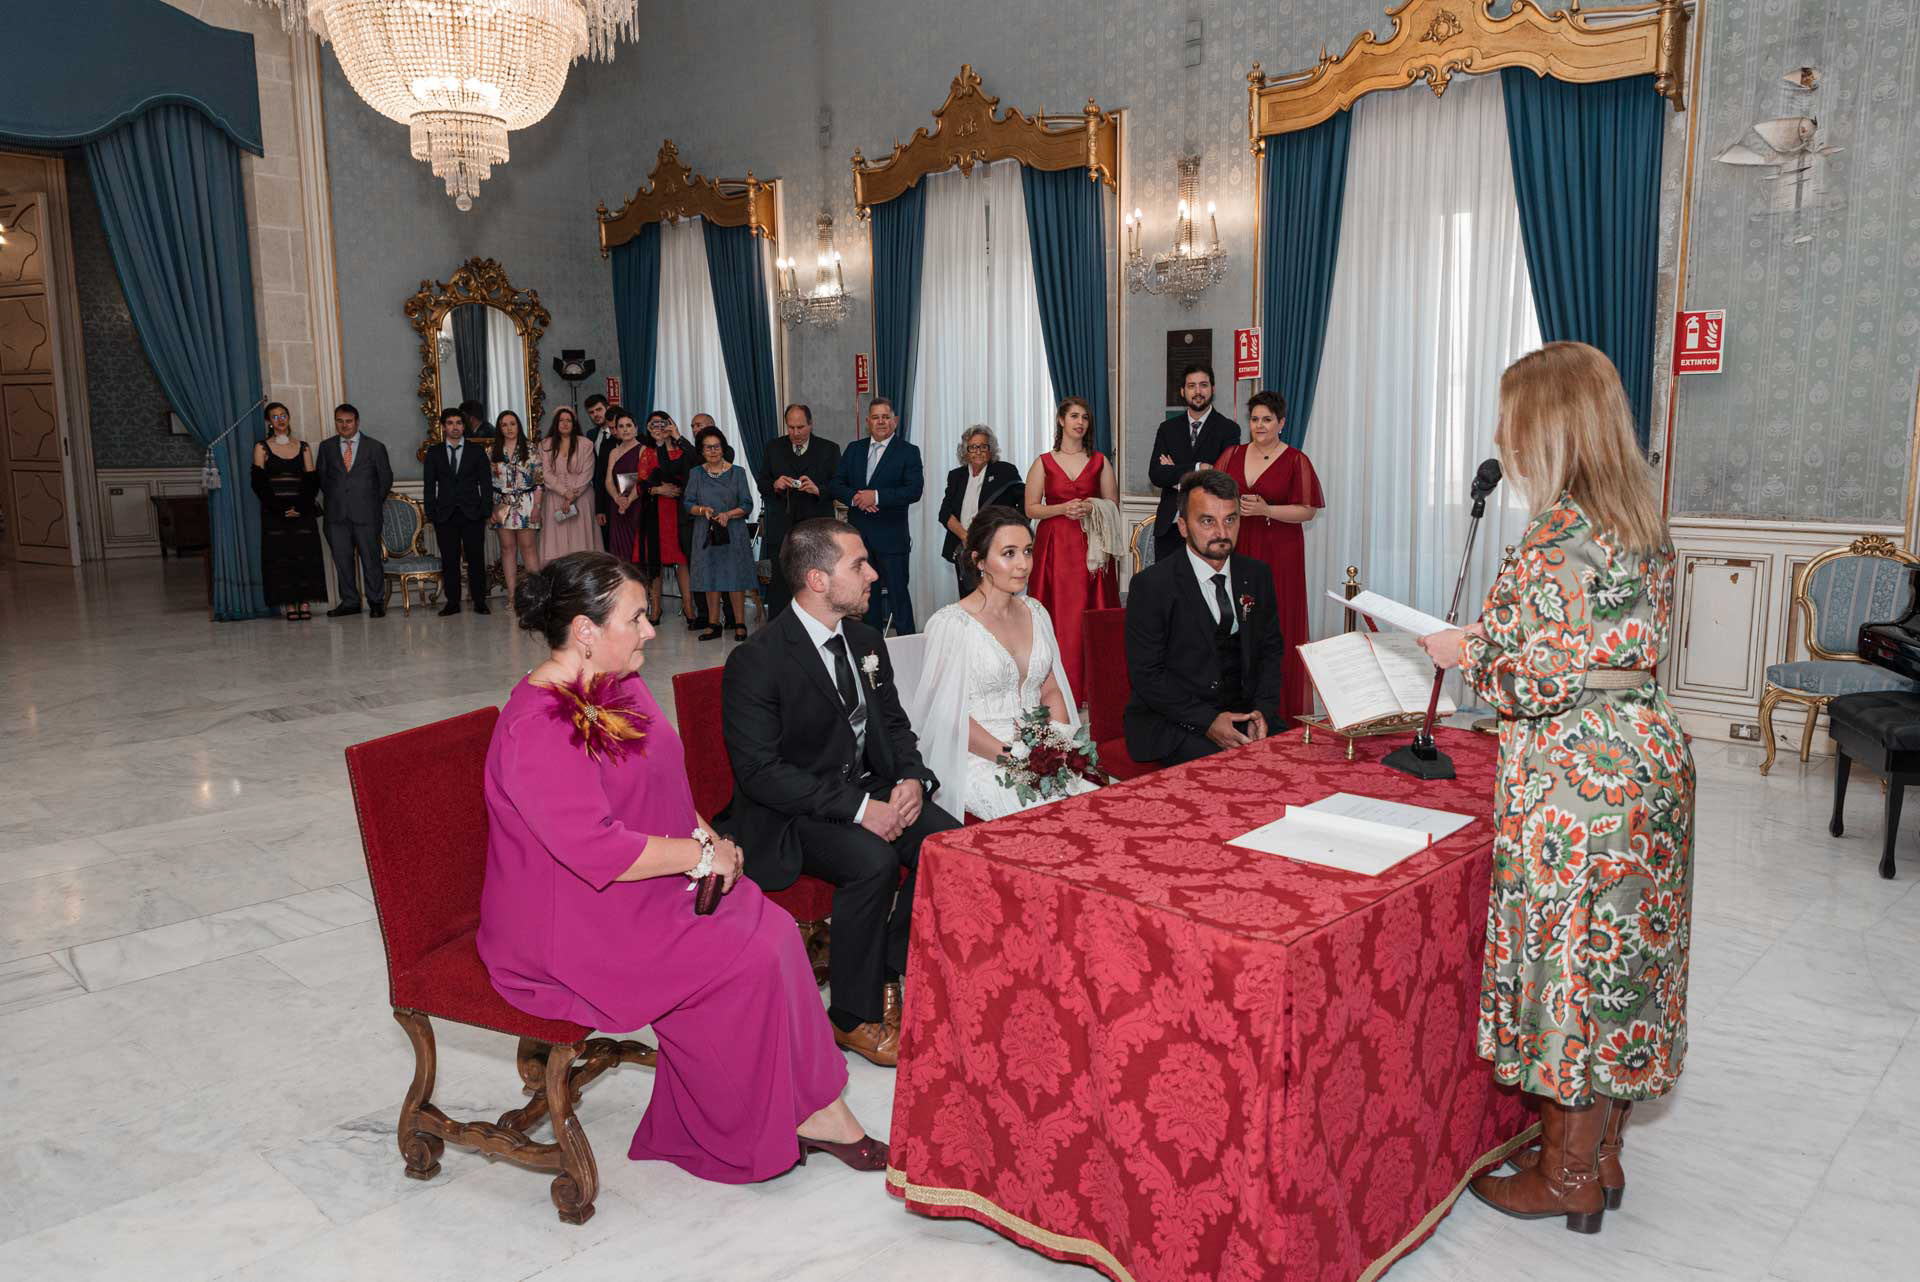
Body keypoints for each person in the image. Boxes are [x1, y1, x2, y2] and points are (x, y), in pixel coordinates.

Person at [479, 551, 887, 1182]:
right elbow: (597, 849)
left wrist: (709, 840)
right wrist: (702, 856)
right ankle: (740, 1127)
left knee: (775, 932)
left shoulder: (618, 683)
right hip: (572, 921)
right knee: (743, 958)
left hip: (647, 880)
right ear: (585, 631)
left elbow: (665, 787)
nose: (650, 630)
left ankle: (815, 1107)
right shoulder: (534, 729)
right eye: (637, 617)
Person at [1416, 341, 1694, 1234]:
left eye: (1512, 417)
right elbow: (1588, 649)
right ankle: (1598, 1156)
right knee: (1620, 961)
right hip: (1647, 758)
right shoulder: (1636, 520)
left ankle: (1568, 1176)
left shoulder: (1555, 535)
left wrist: (1466, 652)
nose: (1502, 432)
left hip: (1577, 778)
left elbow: (1524, 679)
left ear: (1549, 424)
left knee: (1568, 967)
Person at [716, 518, 959, 1068]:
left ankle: (891, 967)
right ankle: (852, 1016)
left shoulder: (866, 641)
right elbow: (760, 772)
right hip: (789, 811)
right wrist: (859, 810)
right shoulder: (758, 660)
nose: (873, 573)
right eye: (859, 565)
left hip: (865, 786)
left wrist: (912, 781)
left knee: (948, 843)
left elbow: (894, 727)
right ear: (817, 580)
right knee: (870, 859)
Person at [909, 508, 1097, 822]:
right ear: (979, 561)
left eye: (1027, 551)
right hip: (977, 754)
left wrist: (1056, 745)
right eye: (1008, 554)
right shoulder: (952, 624)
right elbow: (947, 717)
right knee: (1047, 815)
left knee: (1094, 805)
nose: (1023, 564)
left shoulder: (1035, 611)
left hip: (1035, 748)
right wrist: (1014, 757)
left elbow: (1050, 689)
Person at [1123, 470, 1284, 768]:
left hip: (1245, 715)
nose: (1221, 532)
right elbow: (1147, 675)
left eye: (1230, 520)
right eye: (1207, 521)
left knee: (1295, 764)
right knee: (1234, 774)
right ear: (1183, 526)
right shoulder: (1152, 586)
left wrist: (1262, 711)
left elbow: (1270, 651)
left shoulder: (1257, 575)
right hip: (1176, 722)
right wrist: (1208, 721)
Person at [1215, 390, 1323, 726]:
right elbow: (1210, 491)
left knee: (1276, 623)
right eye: (1254, 419)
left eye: (1267, 419)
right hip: (1239, 546)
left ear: (1281, 423)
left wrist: (1267, 510)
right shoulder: (1232, 453)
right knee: (1236, 620)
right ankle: (1237, 702)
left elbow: (1308, 511)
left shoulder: (1295, 460)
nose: (1259, 425)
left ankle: (1278, 707)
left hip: (1281, 550)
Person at [1025, 397, 1120, 698]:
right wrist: (1061, 509)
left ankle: (1094, 690)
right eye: (1074, 416)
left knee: (1089, 614)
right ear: (1061, 421)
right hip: (1054, 547)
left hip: (1091, 545)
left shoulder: (1100, 461)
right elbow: (1030, 508)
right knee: (1058, 615)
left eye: (1085, 418)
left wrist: (1092, 507)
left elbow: (1113, 504)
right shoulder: (1043, 462)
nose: (1080, 422)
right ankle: (1056, 690)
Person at [832, 397, 923, 635]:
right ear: (867, 421)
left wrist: (878, 496)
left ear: (894, 421)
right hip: (859, 540)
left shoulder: (908, 452)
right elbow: (836, 484)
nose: (881, 421)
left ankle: (909, 648)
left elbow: (914, 491)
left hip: (892, 540)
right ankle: (871, 650)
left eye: (885, 416)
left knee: (899, 599)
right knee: (866, 599)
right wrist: (857, 498)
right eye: (875, 417)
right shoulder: (854, 449)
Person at [1147, 363, 1240, 563]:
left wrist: (1175, 475)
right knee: (1168, 592)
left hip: (1210, 528)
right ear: (1183, 391)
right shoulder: (1167, 429)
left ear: (1213, 389)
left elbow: (1221, 479)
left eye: (1203, 385)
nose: (1198, 391)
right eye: (1191, 386)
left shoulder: (1229, 429)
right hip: (1170, 528)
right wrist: (1199, 468)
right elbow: (1156, 474)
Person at [760, 403, 841, 619]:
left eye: (800, 427)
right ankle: (778, 628)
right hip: (782, 526)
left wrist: (818, 489)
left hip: (816, 526)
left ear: (811, 425)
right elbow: (762, 482)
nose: (795, 433)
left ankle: (820, 623)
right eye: (791, 427)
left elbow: (840, 486)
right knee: (781, 581)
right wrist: (775, 484)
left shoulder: (829, 449)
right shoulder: (773, 448)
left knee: (817, 578)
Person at [250, 401, 327, 622]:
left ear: (289, 418)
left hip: (302, 513)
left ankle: (304, 602)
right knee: (281, 558)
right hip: (275, 514)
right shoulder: (261, 447)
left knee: (304, 557)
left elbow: (311, 481)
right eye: (275, 417)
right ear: (269, 422)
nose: (280, 420)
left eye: (283, 415)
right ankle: (289, 604)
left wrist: (299, 508)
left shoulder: (303, 447)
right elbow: (259, 484)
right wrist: (282, 510)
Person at [313, 402, 391, 618]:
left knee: (371, 559)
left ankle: (376, 602)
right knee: (342, 560)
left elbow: (385, 480)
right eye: (340, 421)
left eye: (348, 421)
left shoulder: (375, 447)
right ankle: (350, 602)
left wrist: (370, 503)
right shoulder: (327, 447)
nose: (344, 425)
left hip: (367, 514)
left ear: (357, 422)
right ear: (336, 422)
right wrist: (339, 497)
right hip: (336, 515)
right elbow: (321, 477)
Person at [683, 424, 756, 642]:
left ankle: (740, 623)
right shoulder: (695, 474)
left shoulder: (738, 472)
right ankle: (713, 623)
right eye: (708, 448)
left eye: (716, 447)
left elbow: (747, 504)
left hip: (733, 530)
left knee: (734, 576)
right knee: (709, 576)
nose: (713, 451)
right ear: (701, 451)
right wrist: (702, 510)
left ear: (723, 448)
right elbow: (687, 503)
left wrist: (729, 514)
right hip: (705, 531)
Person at [423, 405, 494, 616]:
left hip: (472, 513)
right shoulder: (434, 452)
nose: (455, 427)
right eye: (451, 423)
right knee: (449, 560)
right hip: (445, 515)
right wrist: (432, 512)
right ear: (444, 427)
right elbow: (429, 486)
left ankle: (480, 600)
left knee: (476, 558)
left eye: (459, 423)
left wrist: (485, 510)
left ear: (464, 426)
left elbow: (486, 483)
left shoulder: (476, 451)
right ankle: (452, 602)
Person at [936, 425, 1023, 597]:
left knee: (999, 597)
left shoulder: (1005, 471)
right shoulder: (956, 476)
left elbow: (1023, 506)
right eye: (973, 447)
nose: (978, 451)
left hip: (997, 547)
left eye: (983, 446)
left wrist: (1012, 534)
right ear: (965, 452)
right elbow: (944, 513)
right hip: (965, 550)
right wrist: (965, 536)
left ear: (991, 450)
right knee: (970, 599)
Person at [682, 413, 739, 632]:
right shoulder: (691, 455)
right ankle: (706, 617)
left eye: (700, 425)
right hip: (695, 520)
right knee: (700, 570)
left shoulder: (726, 452)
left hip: (723, 521)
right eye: (693, 426)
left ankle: (732, 617)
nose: (695, 429)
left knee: (724, 569)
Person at [639, 412, 694, 627]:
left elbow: (693, 470)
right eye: (653, 424)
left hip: (680, 510)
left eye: (663, 423)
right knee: (656, 560)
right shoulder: (648, 452)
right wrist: (658, 489)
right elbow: (641, 485)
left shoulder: (683, 449)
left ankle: (689, 608)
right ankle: (656, 609)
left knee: (682, 559)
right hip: (657, 510)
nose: (658, 427)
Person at [488, 410, 542, 608]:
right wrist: (492, 509)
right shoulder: (492, 451)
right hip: (501, 504)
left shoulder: (530, 449)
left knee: (528, 549)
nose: (509, 428)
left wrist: (537, 506)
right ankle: (512, 595)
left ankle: (535, 597)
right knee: (507, 549)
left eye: (512, 423)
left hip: (527, 503)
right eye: (504, 424)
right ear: (499, 428)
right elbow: (488, 483)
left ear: (518, 425)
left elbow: (538, 482)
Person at [538, 407, 598, 562]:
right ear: (555, 423)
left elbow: (587, 473)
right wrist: (565, 492)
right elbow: (546, 473)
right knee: (556, 542)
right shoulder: (545, 444)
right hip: (554, 497)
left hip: (581, 497)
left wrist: (572, 496)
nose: (565, 423)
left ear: (574, 423)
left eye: (569, 420)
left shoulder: (586, 444)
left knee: (581, 542)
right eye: (561, 420)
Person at [583, 393, 615, 551]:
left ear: (607, 408)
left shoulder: (621, 431)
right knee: (604, 540)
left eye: (599, 410)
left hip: (621, 493)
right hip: (600, 494)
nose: (596, 414)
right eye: (591, 412)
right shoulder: (591, 435)